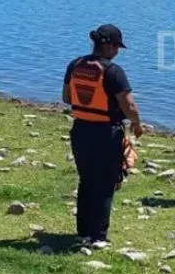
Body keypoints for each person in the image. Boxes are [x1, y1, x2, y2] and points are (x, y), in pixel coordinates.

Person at [62, 24, 144, 247]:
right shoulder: (113, 72)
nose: (117, 51)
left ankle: (82, 232)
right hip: (106, 132)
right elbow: (129, 105)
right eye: (117, 46)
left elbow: (67, 97)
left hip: (80, 130)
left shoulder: (75, 65)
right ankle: (98, 235)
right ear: (108, 46)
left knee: (86, 181)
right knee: (107, 183)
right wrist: (137, 125)